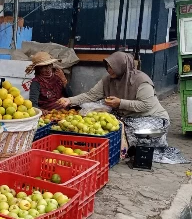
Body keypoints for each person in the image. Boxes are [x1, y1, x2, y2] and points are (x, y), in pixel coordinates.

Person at [57, 52, 185, 163]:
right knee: (100, 123)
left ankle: (129, 150)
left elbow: (146, 105)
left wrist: (120, 103)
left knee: (132, 132)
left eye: (112, 67)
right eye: (107, 66)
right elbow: (91, 95)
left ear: (122, 66)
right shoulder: (107, 80)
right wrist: (70, 100)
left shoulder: (141, 81)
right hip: (126, 117)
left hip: (151, 117)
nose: (109, 70)